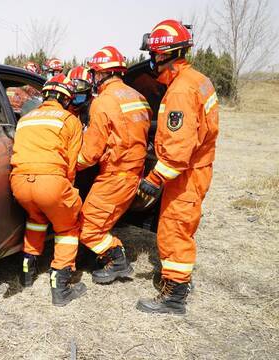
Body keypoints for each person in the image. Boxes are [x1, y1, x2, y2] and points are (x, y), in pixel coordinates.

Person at [136, 19, 219, 314]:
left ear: (164, 55)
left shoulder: (181, 91)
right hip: (197, 169)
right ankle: (178, 284)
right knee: (180, 227)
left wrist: (155, 177)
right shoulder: (198, 80)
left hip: (186, 174)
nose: (153, 62)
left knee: (174, 230)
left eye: (155, 56)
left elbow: (179, 147)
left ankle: (174, 296)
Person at [10, 73, 86, 306]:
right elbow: (71, 165)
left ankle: (26, 272)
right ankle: (60, 286)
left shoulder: (25, 118)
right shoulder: (69, 119)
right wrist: (66, 193)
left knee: (35, 219)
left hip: (19, 183)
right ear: (66, 99)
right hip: (51, 182)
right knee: (68, 225)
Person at [77, 46, 152, 284]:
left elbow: (91, 153)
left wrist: (70, 165)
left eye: (95, 74)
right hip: (133, 173)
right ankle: (99, 256)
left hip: (115, 176)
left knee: (87, 227)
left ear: (100, 74)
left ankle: (117, 261)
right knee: (101, 220)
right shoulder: (138, 97)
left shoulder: (103, 103)